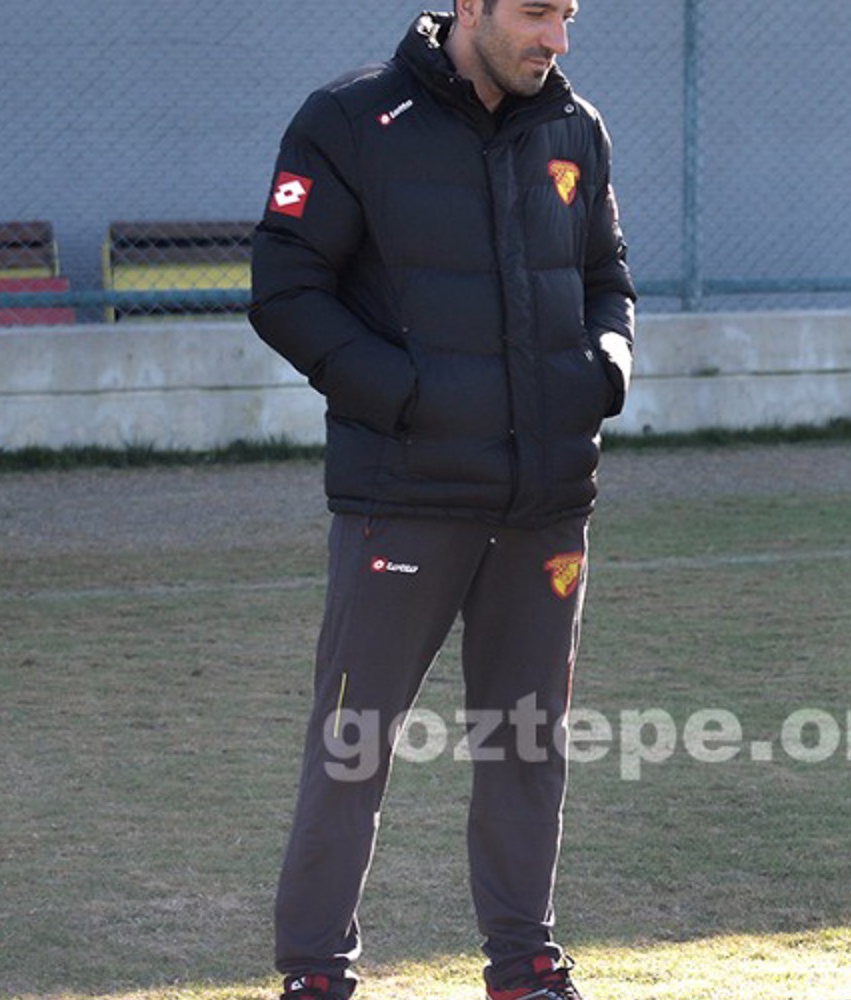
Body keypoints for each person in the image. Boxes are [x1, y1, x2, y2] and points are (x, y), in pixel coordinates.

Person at [249, 1, 634, 997]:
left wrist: (605, 367)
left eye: (567, 14)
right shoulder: (349, 121)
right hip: (406, 495)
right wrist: (406, 396)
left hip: (546, 502)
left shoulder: (575, 128)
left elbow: (607, 277)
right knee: (354, 742)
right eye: (537, 13)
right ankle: (316, 971)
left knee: (527, 744)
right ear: (470, 6)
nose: (557, 39)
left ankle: (525, 965)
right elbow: (285, 289)